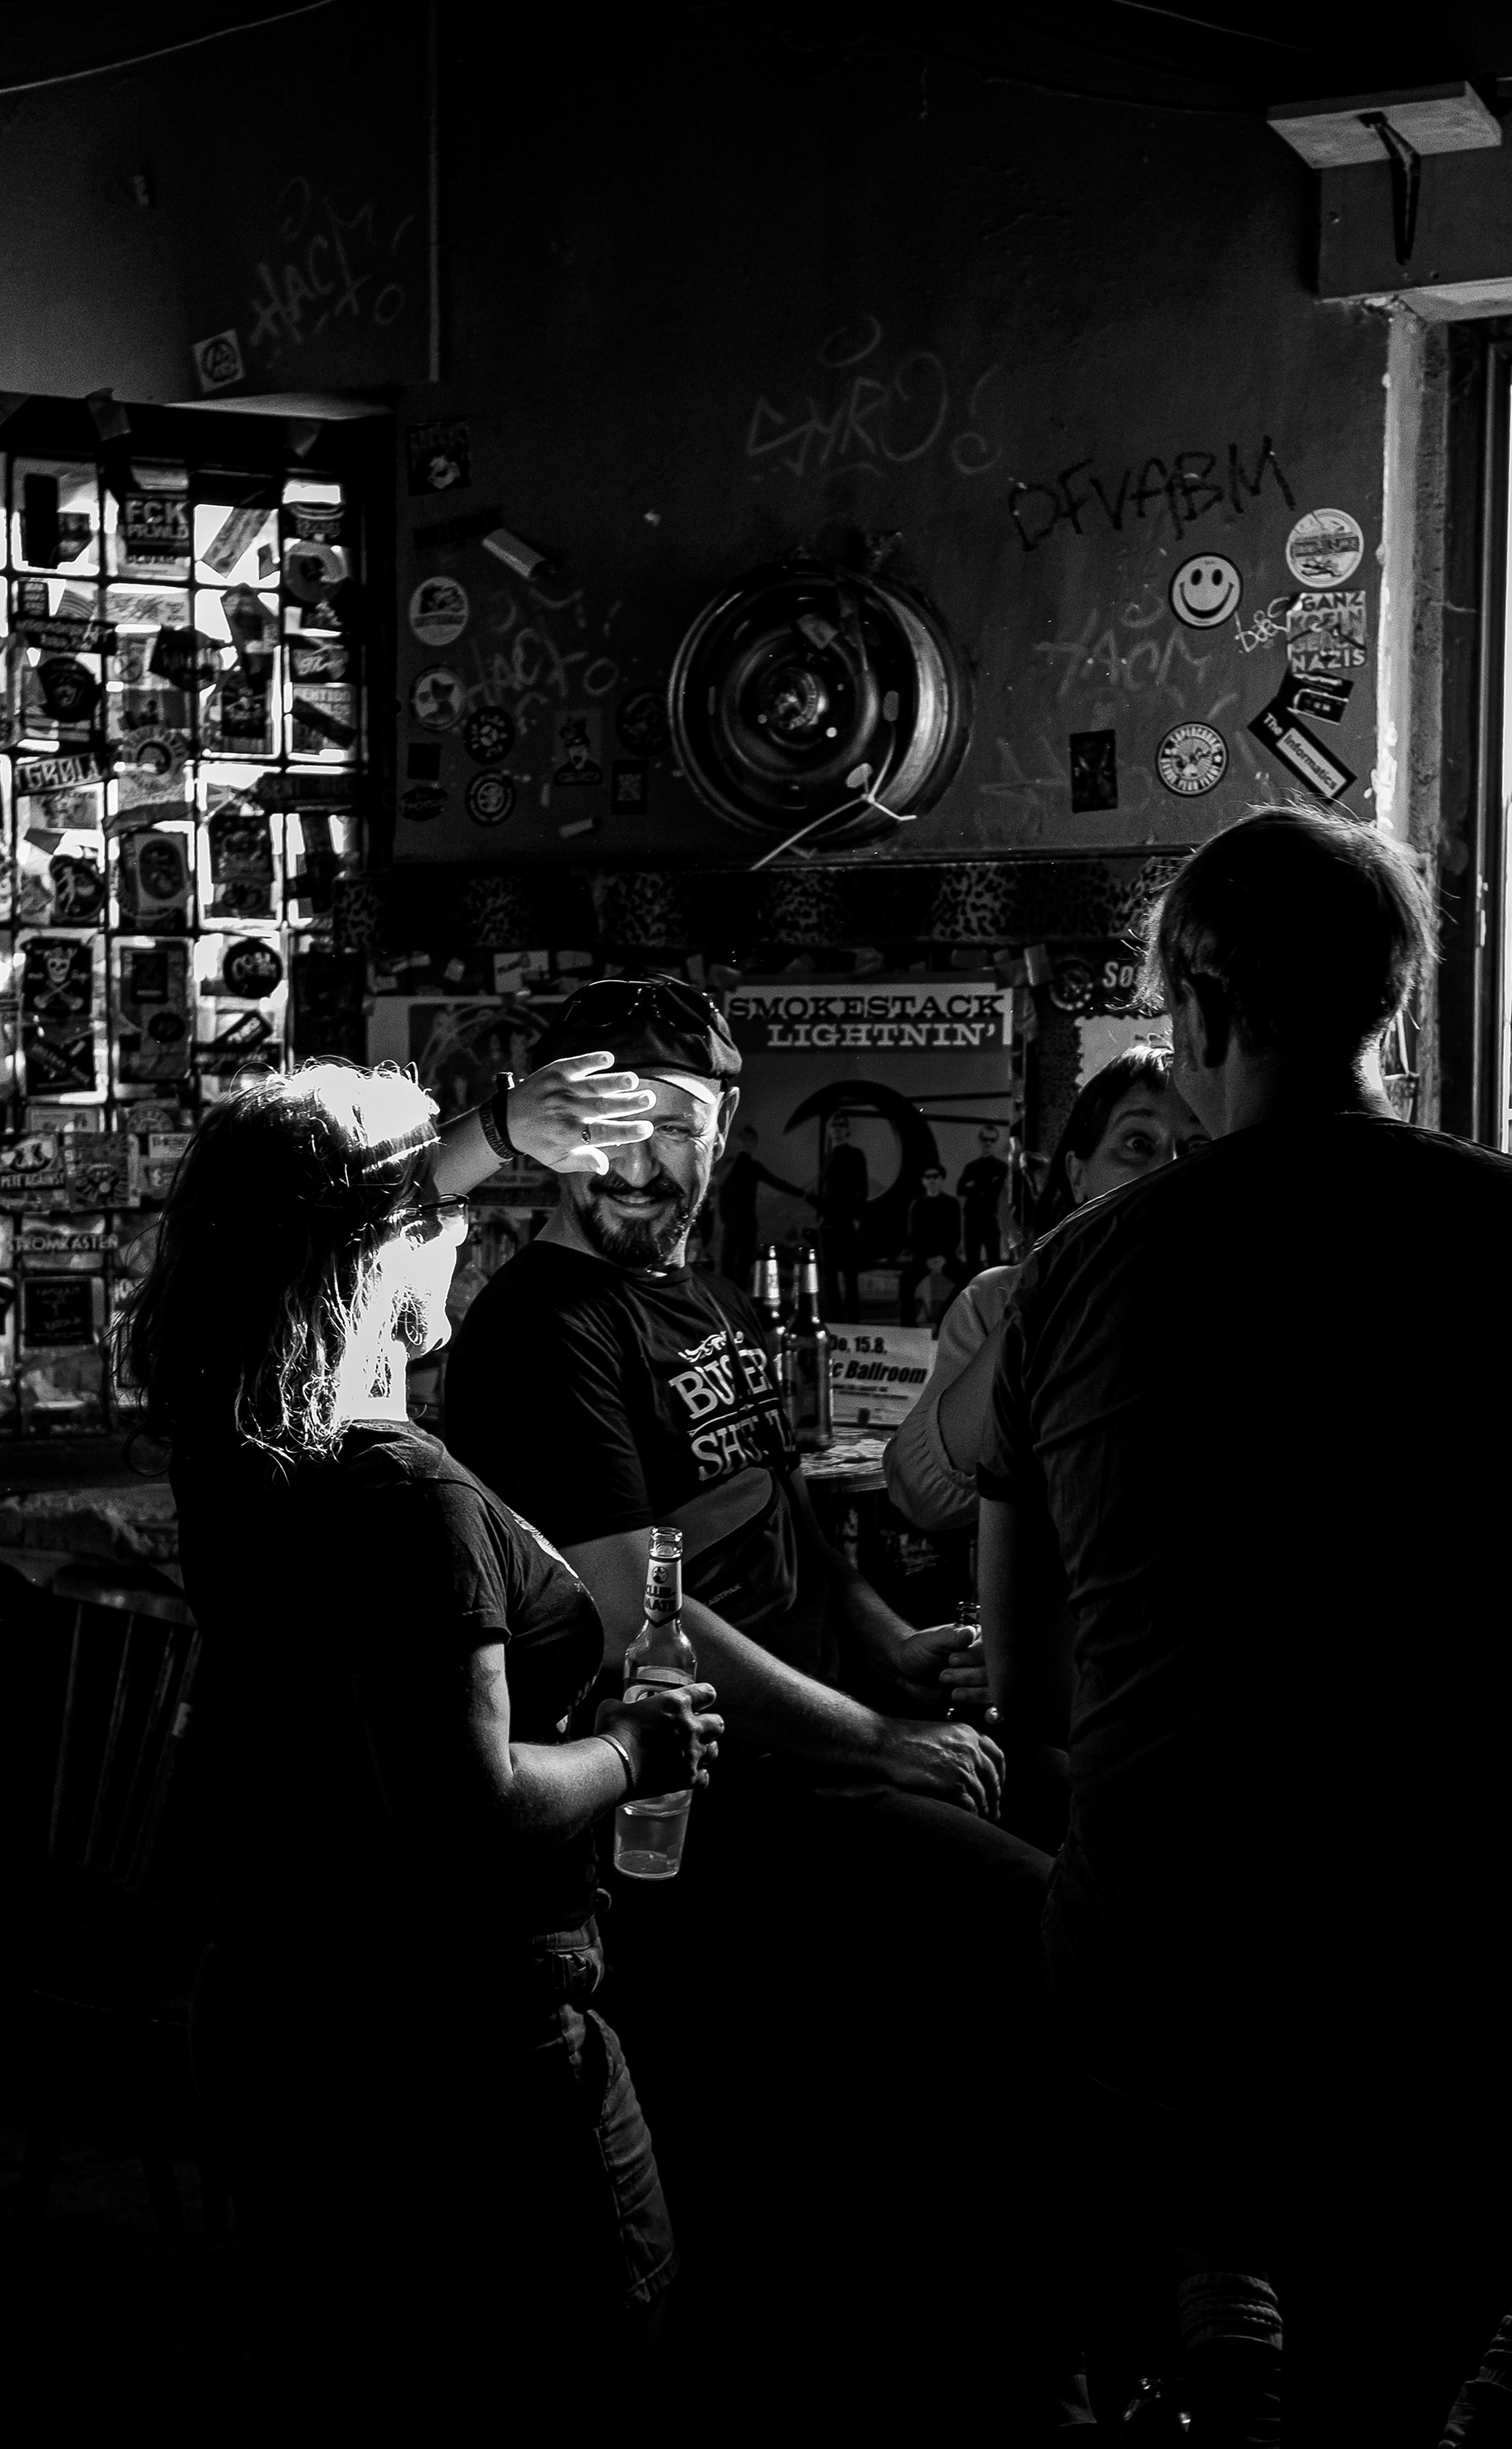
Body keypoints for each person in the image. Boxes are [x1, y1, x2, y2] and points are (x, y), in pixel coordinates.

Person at [444, 976, 1079, 2429]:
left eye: (676, 1121)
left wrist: (892, 1649)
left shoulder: (707, 1300)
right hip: (713, 1807)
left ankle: (996, 2326)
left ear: (725, 1131)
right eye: (608, 1122)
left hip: (816, 1747)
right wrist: (882, 1739)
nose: (640, 1159)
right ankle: (1026, 2354)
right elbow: (635, 1607)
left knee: (1082, 1826)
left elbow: (785, 1532)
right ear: (550, 1136)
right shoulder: (542, 1329)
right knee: (1047, 1922)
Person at [977, 809, 1512, 2443]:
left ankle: (1205, 2319)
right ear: (1393, 1007)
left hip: (1164, 1973)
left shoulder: (1073, 1275)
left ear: (1200, 1010)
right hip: (1447, 1971)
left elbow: (1023, 1685)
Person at [121, 1053, 721, 2414]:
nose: (466, 1228)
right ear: (376, 1246)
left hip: (287, 2007)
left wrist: (486, 1133)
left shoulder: (239, 1437)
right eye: (440, 1209)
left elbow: (301, 1213)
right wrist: (634, 1749)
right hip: (459, 2043)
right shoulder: (405, 1497)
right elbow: (463, 1805)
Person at [885, 1044, 1203, 1536]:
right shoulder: (997, 1301)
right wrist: (1051, 1290)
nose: (1167, 1173)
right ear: (1078, 1174)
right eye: (1138, 1144)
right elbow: (923, 1494)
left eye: (1198, 1150)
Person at [712, 1121, 803, 1285]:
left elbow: (777, 1183)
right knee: (731, 1264)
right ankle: (729, 1297)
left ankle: (734, 1297)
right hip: (735, 1223)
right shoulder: (732, 1165)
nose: (747, 1142)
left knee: (739, 1265)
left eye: (751, 1139)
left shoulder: (746, 1166)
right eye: (745, 1139)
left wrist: (802, 1193)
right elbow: (718, 1186)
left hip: (743, 1223)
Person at [814, 1108, 868, 1319]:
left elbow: (862, 1187)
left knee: (849, 1271)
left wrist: (856, 1217)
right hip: (827, 1220)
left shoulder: (855, 1154)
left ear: (847, 1130)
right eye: (834, 1125)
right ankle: (836, 1319)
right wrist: (820, 1217)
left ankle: (853, 1319)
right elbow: (824, 1189)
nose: (837, 1129)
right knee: (828, 1273)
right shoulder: (828, 1157)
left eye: (841, 1125)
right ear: (829, 1131)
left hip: (845, 1218)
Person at [897, 1160, 963, 1324]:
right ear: (923, 1181)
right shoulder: (917, 1204)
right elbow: (913, 1236)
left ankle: (943, 1318)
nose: (932, 1180)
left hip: (946, 1256)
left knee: (966, 1280)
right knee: (905, 1282)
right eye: (928, 1177)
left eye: (935, 1176)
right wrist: (926, 1259)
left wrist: (944, 1257)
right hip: (923, 1257)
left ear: (942, 1179)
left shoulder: (951, 1203)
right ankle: (908, 1327)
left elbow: (955, 1235)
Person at [957, 1121, 1007, 1271]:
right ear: (980, 1141)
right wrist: (985, 1185)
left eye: (992, 1140)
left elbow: (993, 1192)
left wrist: (974, 1186)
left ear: (996, 1142)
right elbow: (960, 1189)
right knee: (972, 1262)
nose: (988, 1143)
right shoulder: (971, 1166)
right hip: (972, 1219)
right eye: (985, 1139)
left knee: (994, 1262)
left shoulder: (1001, 1167)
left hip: (989, 1218)